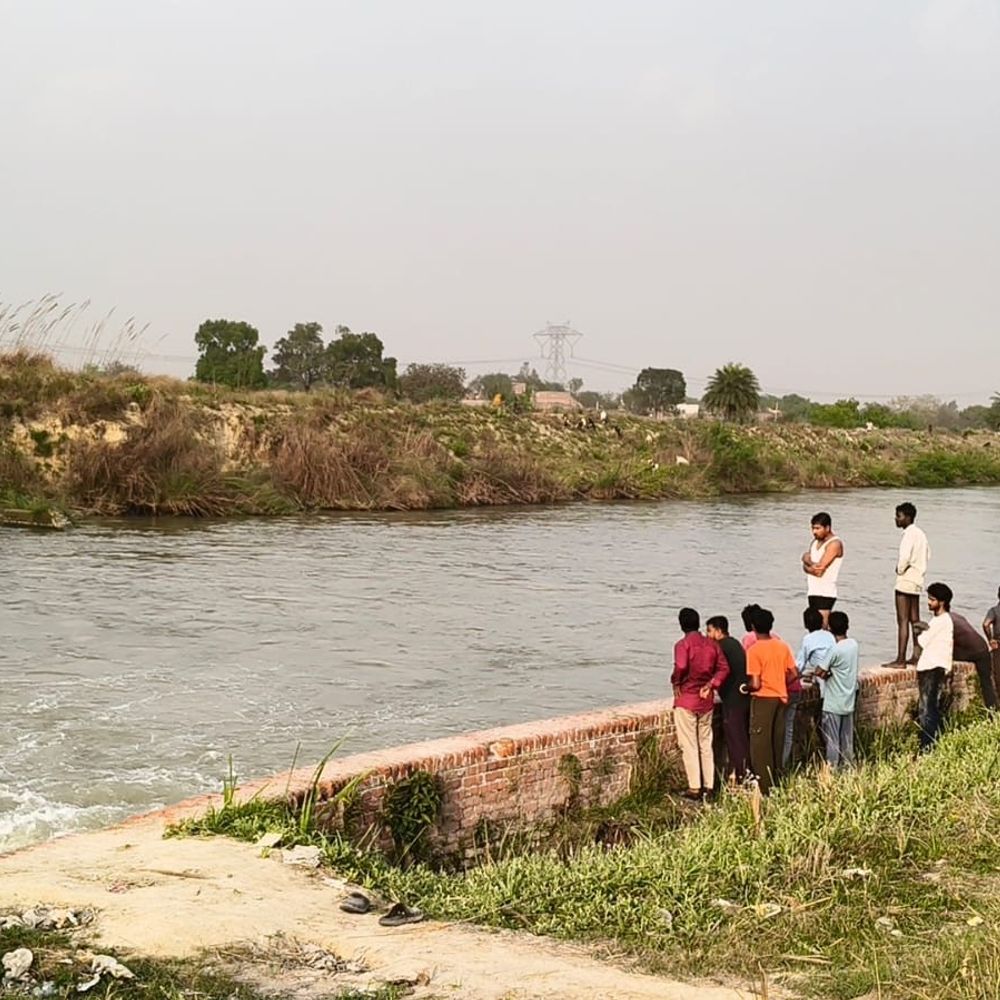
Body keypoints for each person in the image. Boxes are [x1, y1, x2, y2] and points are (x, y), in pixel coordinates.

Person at [671, 608, 729, 800]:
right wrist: (711, 684)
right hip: (706, 699)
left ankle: (694, 787)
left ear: (681, 625)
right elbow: (723, 668)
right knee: (705, 742)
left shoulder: (682, 645)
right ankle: (709, 785)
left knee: (689, 744)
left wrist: (676, 682)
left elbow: (680, 666)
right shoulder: (711, 644)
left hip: (687, 698)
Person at [745, 607, 797, 795]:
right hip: (781, 697)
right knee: (777, 740)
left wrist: (745, 687)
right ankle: (778, 780)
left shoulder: (754, 650)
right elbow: (794, 673)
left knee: (760, 744)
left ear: (753, 627)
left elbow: (756, 683)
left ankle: (765, 787)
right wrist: (781, 682)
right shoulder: (781, 646)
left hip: (763, 699)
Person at [786, 607, 836, 768]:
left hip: (822, 682)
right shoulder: (829, 635)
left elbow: (799, 664)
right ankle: (831, 756)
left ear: (806, 624)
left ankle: (828, 757)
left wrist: (788, 678)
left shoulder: (808, 639)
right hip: (832, 678)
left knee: (821, 721)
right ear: (822, 622)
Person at [706, 616, 750, 782]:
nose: (707, 634)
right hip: (742, 695)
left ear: (718, 631)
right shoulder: (735, 643)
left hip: (733, 698)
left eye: (709, 630)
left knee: (734, 736)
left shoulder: (722, 647)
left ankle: (741, 774)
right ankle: (746, 770)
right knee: (742, 735)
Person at [814, 611, 860, 769]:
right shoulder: (853, 645)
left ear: (830, 628)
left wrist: (825, 674)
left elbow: (819, 671)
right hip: (848, 700)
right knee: (847, 740)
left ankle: (832, 770)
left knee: (832, 740)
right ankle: (848, 769)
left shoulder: (835, 650)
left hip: (833, 703)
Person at [913, 582, 954, 751]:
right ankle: (932, 744)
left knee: (927, 710)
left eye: (932, 599)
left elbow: (922, 641)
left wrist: (918, 630)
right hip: (935, 667)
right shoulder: (942, 621)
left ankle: (928, 747)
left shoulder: (941, 621)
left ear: (941, 602)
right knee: (930, 708)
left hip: (932, 668)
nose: (929, 602)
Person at [894, 502, 931, 665]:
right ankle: (917, 655)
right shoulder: (921, 534)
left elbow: (904, 558)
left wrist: (899, 569)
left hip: (906, 580)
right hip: (917, 579)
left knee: (902, 620)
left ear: (907, 517)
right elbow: (928, 554)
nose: (896, 519)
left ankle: (900, 659)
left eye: (899, 516)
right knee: (915, 619)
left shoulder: (908, 535)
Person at [801, 512, 844, 627]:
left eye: (818, 528)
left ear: (827, 528)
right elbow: (807, 560)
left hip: (826, 593)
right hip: (813, 590)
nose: (814, 532)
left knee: (823, 627)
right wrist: (808, 563)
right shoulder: (815, 542)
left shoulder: (834, 544)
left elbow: (819, 571)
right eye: (813, 528)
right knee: (813, 627)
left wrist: (807, 565)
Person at [950, 605, 996, 712]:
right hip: (983, 648)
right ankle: (993, 711)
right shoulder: (958, 617)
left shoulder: (946, 621)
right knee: (987, 684)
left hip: (973, 652)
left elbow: (948, 642)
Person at [984, 587, 1000, 702]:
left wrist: (991, 639)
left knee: (998, 677)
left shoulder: (994, 610)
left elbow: (986, 624)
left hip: (998, 645)